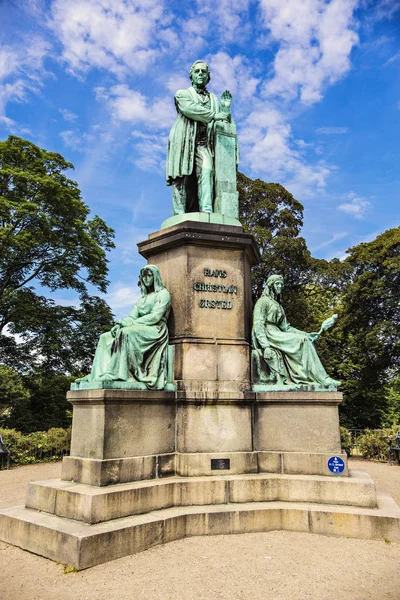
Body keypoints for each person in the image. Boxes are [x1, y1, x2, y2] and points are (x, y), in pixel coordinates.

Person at [76, 265, 171, 390]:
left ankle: (117, 374)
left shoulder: (163, 294)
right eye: (144, 276)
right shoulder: (142, 298)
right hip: (141, 327)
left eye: (149, 275)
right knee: (105, 337)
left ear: (155, 276)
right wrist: (119, 324)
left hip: (156, 329)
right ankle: (97, 374)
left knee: (126, 333)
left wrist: (129, 325)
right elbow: (132, 316)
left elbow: (155, 317)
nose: (146, 278)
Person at [166, 60, 233, 215]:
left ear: (208, 77)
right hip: (183, 141)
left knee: (207, 170)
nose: (201, 74)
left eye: (204, 72)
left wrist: (225, 108)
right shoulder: (182, 94)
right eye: (197, 71)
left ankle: (207, 210)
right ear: (192, 76)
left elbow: (224, 121)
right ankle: (179, 214)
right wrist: (215, 115)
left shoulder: (214, 99)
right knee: (180, 178)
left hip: (203, 144)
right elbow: (191, 109)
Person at [251, 274, 340, 388]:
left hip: (278, 332)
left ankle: (318, 377)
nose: (280, 286)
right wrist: (265, 346)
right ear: (271, 285)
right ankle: (318, 378)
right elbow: (258, 324)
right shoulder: (262, 301)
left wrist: (307, 334)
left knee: (305, 339)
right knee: (302, 341)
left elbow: (286, 328)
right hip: (269, 333)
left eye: (281, 284)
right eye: (277, 284)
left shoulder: (278, 305)